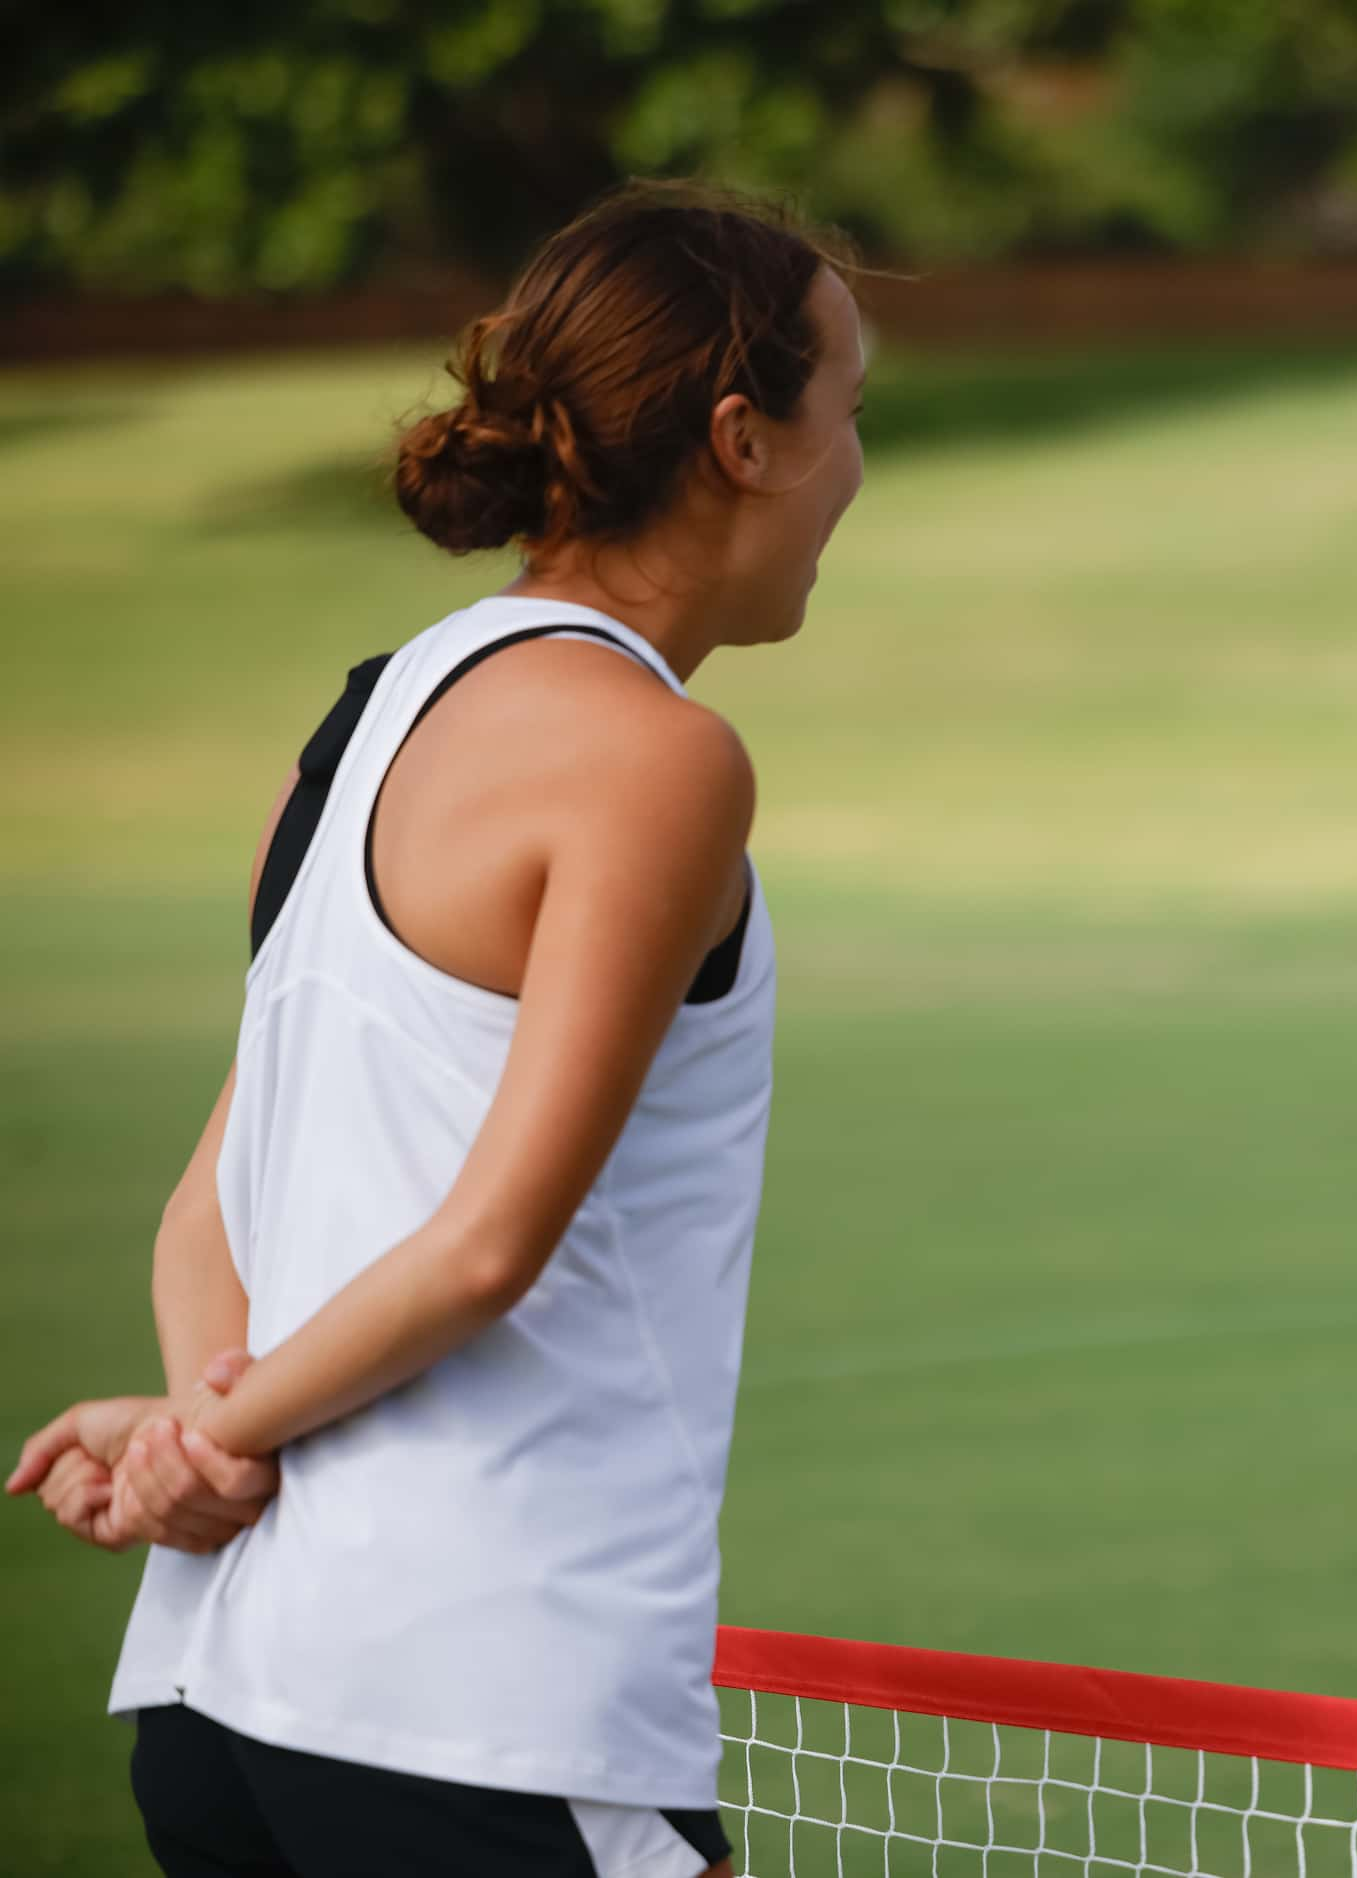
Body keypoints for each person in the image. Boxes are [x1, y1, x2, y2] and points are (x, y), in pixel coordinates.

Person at [5, 179, 866, 1877]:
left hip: (222, 1706)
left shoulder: (365, 715)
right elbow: (484, 1247)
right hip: (482, 1714)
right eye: (850, 414)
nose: (855, 471)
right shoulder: (657, 756)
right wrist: (217, 1440)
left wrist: (196, 1435)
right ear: (740, 439)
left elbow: (212, 1206)